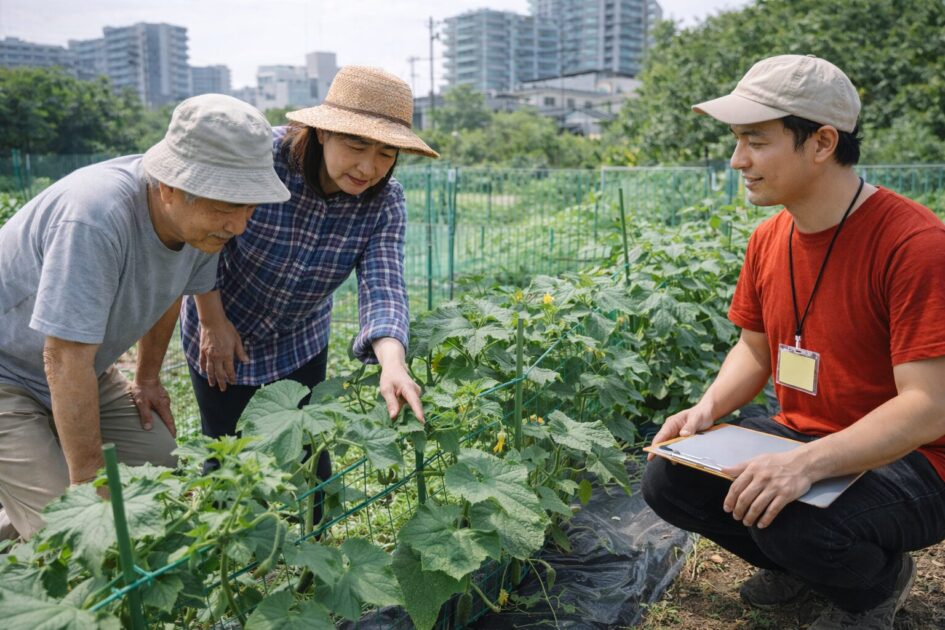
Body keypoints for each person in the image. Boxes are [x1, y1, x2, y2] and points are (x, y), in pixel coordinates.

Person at [641, 54, 945, 629]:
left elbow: (930, 407)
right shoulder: (769, 237)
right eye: (736, 141)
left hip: (917, 462)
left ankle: (877, 585)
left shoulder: (916, 245)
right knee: (670, 476)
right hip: (807, 435)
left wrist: (806, 465)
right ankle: (803, 566)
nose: (738, 161)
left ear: (823, 142)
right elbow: (754, 350)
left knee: (795, 517)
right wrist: (706, 409)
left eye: (755, 141)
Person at [0, 94, 290, 541]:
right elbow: (62, 358)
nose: (240, 226)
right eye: (227, 206)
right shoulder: (95, 218)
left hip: (82, 370)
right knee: (74, 530)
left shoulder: (198, 228)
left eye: (249, 207)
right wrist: (88, 484)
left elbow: (170, 291)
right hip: (10, 375)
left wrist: (148, 377)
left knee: (159, 465)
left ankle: (22, 512)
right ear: (170, 187)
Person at [180, 66, 439, 486]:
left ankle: (312, 540)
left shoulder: (385, 202)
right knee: (226, 458)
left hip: (301, 337)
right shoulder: (262, 157)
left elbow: (384, 282)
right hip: (222, 323)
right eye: (356, 145)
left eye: (386, 154)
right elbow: (204, 234)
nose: (368, 167)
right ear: (322, 132)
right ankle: (230, 549)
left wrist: (393, 363)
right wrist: (211, 321)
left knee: (308, 457)